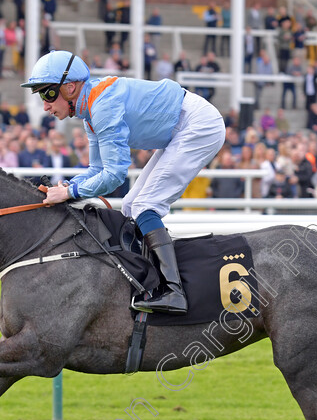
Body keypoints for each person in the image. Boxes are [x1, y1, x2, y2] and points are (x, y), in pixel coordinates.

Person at [22, 51, 225, 315]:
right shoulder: (90, 111)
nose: (45, 105)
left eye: (47, 94)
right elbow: (96, 170)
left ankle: (174, 292)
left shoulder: (102, 106)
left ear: (70, 87)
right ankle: (147, 282)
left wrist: (70, 192)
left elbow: (115, 176)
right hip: (180, 126)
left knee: (144, 205)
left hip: (198, 124)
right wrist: (65, 189)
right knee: (130, 205)